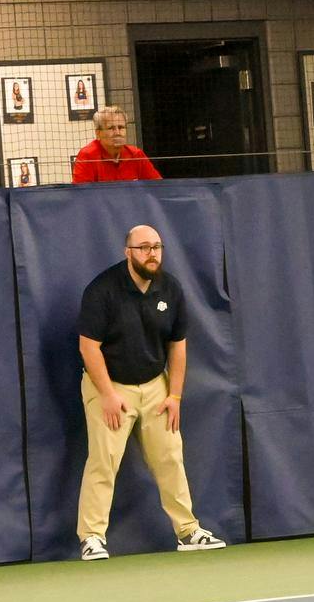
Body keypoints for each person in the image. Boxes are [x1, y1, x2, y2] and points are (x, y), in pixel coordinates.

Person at [75, 225, 226, 561]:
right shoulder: (103, 290)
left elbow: (179, 346)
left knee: (170, 457)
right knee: (104, 461)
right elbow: (89, 347)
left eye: (157, 247)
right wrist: (108, 396)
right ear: (128, 252)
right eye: (143, 247)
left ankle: (188, 531)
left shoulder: (170, 289)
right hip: (110, 386)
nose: (152, 253)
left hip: (156, 386)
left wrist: (174, 396)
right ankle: (92, 537)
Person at [72, 106, 162, 184]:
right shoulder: (87, 156)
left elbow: (158, 187)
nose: (118, 133)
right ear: (98, 133)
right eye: (111, 128)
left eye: (121, 127)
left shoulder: (136, 155)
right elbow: (81, 196)